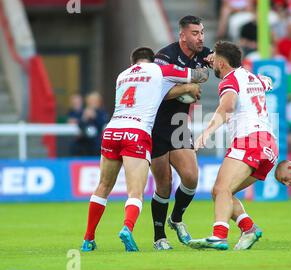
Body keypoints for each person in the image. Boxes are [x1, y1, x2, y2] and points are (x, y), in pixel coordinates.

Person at [80, 47, 207, 252]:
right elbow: (199, 76)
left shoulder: (122, 76)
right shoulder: (159, 71)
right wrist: (191, 82)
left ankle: (88, 239)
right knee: (135, 192)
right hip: (136, 132)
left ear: (133, 63)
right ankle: (127, 229)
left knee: (103, 187)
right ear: (153, 61)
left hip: (112, 131)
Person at [188, 41, 278, 251]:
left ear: (221, 62)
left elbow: (227, 106)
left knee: (221, 189)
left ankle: (219, 236)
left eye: (215, 62)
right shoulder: (251, 76)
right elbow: (268, 82)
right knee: (221, 191)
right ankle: (249, 229)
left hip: (250, 139)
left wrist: (206, 133)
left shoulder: (229, 80)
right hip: (269, 145)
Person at [151, 15, 214, 251]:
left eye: (202, 32)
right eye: (195, 33)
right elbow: (156, 93)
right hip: (156, 124)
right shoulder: (164, 56)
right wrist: (186, 88)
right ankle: (159, 237)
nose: (201, 37)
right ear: (183, 36)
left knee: (191, 176)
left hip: (178, 123)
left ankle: (175, 219)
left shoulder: (203, 53)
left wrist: (215, 65)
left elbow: (219, 65)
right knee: (164, 184)